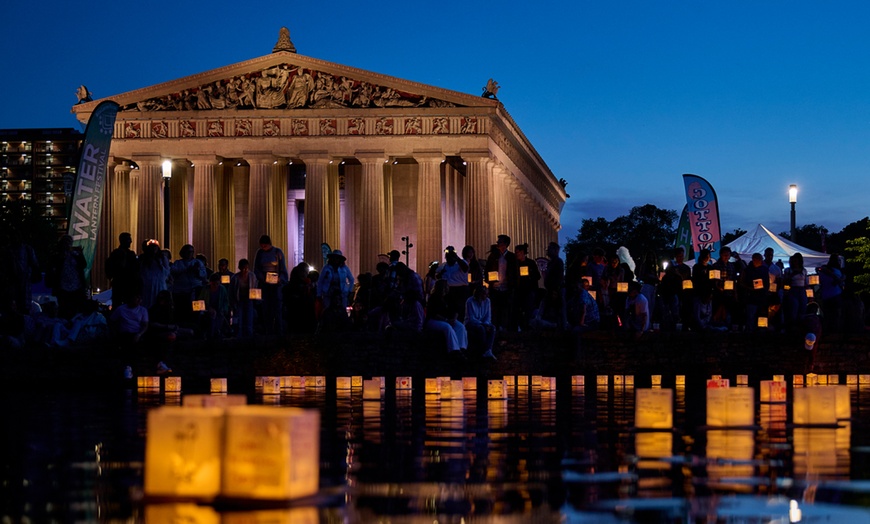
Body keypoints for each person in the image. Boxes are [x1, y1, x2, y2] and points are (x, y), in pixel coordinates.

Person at [253, 235, 289, 336]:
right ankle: (268, 331)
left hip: (276, 286)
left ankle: (279, 331)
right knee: (266, 308)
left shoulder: (278, 252)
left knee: (277, 308)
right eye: (262, 246)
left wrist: (280, 279)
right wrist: (263, 278)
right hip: (264, 285)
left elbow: (283, 269)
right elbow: (256, 268)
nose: (263, 248)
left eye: (265, 246)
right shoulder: (260, 253)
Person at [46, 235, 87, 320]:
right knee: (64, 309)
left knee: (76, 309)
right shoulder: (57, 256)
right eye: (65, 243)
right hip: (63, 287)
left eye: (69, 243)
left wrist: (80, 254)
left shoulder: (75, 254)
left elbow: (83, 265)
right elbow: (52, 268)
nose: (67, 245)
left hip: (76, 286)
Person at [425, 279, 468, 358]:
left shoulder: (449, 297)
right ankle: (454, 350)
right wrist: (446, 320)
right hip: (434, 320)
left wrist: (454, 319)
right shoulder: (433, 298)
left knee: (460, 326)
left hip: (447, 319)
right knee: (447, 327)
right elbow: (433, 314)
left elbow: (455, 309)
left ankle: (462, 347)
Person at [485, 234, 518, 330]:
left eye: (500, 242)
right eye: (498, 242)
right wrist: (489, 281)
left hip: (507, 289)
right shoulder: (493, 256)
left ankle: (505, 330)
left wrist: (513, 287)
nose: (498, 244)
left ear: (506, 244)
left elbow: (515, 274)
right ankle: (495, 329)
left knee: (505, 310)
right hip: (495, 288)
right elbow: (487, 270)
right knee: (495, 310)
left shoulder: (511, 257)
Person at [170, 244, 207, 326]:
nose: (190, 253)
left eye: (192, 251)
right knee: (183, 311)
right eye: (188, 251)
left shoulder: (198, 262)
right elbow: (173, 272)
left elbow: (204, 275)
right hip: (182, 292)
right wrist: (187, 270)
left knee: (198, 312)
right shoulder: (178, 263)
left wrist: (197, 271)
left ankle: (198, 327)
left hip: (197, 291)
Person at [105, 232, 139, 307]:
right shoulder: (116, 254)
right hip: (121, 284)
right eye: (129, 240)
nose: (131, 241)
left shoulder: (130, 254)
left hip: (128, 284)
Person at [436, 246, 470, 320]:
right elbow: (437, 276)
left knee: (460, 311)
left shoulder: (461, 263)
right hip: (449, 291)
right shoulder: (444, 266)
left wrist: (456, 258)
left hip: (460, 290)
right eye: (447, 255)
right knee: (449, 311)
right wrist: (441, 273)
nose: (448, 257)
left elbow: (465, 268)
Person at [465, 285, 496, 360]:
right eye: (485, 294)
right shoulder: (470, 301)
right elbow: (471, 318)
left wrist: (486, 324)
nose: (487, 296)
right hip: (471, 323)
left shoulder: (487, 301)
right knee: (481, 329)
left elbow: (488, 316)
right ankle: (481, 351)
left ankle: (488, 350)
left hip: (483, 322)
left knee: (492, 328)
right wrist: (483, 324)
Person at [514, 244, 541, 331]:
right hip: (519, 291)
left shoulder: (531, 263)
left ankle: (528, 326)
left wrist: (529, 276)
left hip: (529, 291)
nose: (516, 254)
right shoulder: (515, 264)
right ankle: (521, 326)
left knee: (529, 309)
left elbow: (537, 276)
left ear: (522, 252)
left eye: (517, 252)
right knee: (518, 309)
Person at [740, 253, 770, 330]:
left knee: (761, 316)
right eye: (758, 259)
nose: (760, 261)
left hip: (762, 296)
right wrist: (750, 288)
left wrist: (766, 291)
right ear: (754, 259)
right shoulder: (747, 270)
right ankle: (750, 331)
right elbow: (742, 282)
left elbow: (767, 282)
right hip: (751, 296)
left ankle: (760, 332)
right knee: (750, 316)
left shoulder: (764, 269)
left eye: (761, 260)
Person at [230, 259, 258, 339]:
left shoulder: (252, 276)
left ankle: (249, 335)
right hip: (239, 301)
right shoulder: (235, 278)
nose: (244, 270)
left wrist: (255, 298)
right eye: (243, 268)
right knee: (239, 319)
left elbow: (255, 287)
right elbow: (231, 291)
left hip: (249, 300)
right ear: (239, 268)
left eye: (246, 268)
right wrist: (232, 303)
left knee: (249, 318)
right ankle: (239, 336)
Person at [818, 253, 845, 333]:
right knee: (836, 316)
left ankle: (828, 332)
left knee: (828, 315)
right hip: (835, 295)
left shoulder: (825, 270)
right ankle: (835, 332)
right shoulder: (836, 271)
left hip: (826, 295)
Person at [197, 273, 230, 340]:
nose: (215, 286)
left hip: (219, 309)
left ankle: (217, 331)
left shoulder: (222, 289)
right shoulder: (206, 289)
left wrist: (224, 309)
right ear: (210, 283)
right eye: (214, 284)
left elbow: (226, 301)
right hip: (207, 309)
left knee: (219, 317)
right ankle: (209, 333)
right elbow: (200, 300)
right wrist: (207, 308)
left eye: (217, 284)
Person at [139, 240, 170, 309]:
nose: (153, 249)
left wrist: (160, 264)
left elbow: (167, 270)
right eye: (151, 247)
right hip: (147, 283)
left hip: (159, 282)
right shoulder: (143, 258)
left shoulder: (162, 258)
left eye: (155, 247)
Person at [782, 252, 808, 330]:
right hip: (793, 290)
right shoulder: (788, 270)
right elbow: (785, 281)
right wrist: (793, 274)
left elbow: (806, 283)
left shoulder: (804, 270)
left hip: (802, 290)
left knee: (803, 308)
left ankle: (800, 326)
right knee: (794, 308)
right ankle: (793, 326)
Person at [544, 242, 566, 330]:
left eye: (550, 249)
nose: (547, 250)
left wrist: (555, 289)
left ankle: (560, 327)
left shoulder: (558, 262)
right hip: (551, 289)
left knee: (558, 309)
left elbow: (558, 277)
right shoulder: (551, 262)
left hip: (555, 290)